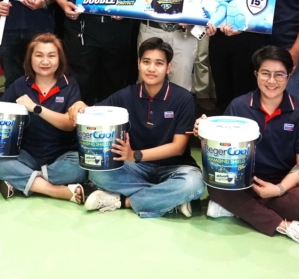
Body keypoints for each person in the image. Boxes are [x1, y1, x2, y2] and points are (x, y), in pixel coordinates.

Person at [196, 46, 299, 247]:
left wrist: (279, 189)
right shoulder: (239, 106)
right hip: (244, 178)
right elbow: (220, 148)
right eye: (265, 73)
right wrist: (204, 130)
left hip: (284, 179)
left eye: (279, 74)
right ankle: (286, 227)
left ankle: (237, 209)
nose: (271, 81)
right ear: (256, 74)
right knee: (217, 187)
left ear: (289, 75)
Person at [70, 38, 205, 218]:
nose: (151, 68)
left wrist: (135, 155)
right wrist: (80, 105)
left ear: (168, 67)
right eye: (146, 62)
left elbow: (178, 147)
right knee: (97, 173)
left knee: (194, 183)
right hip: (135, 168)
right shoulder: (125, 95)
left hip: (175, 168)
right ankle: (168, 198)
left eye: (159, 63)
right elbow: (94, 112)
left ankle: (122, 201)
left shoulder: (183, 98)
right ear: (138, 64)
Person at [0, 34, 88, 202]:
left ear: (59, 59)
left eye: (51, 56)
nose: (45, 61)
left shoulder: (70, 84)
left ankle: (21, 180)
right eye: (39, 55)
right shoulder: (20, 84)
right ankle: (54, 190)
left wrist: (36, 108)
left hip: (63, 156)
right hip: (26, 154)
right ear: (30, 58)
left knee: (81, 167)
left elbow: (69, 124)